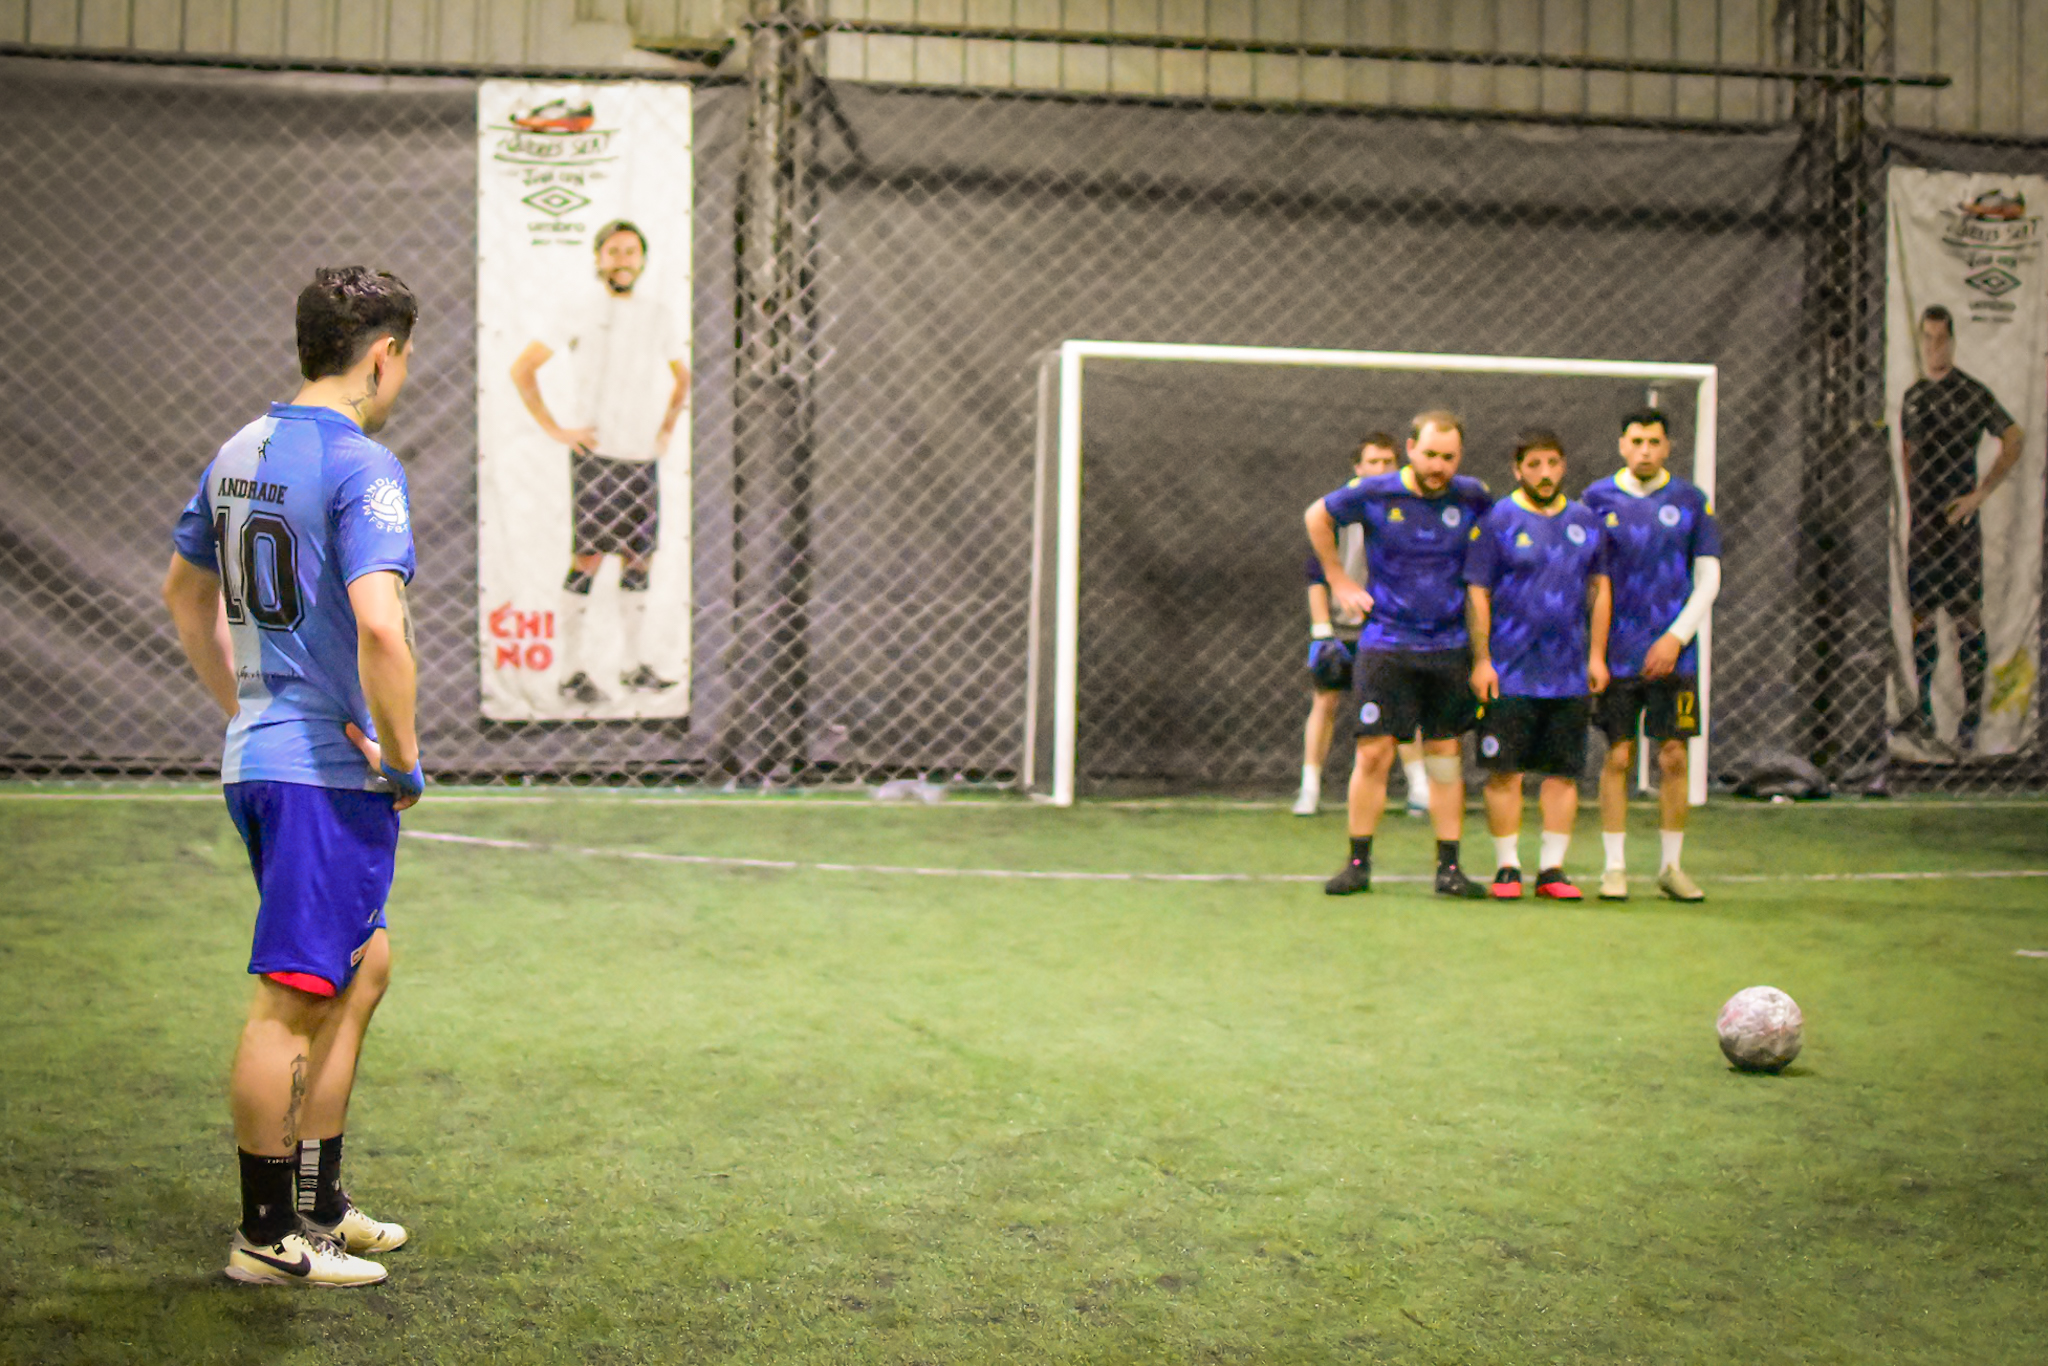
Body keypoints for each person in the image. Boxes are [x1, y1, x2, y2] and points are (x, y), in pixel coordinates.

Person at [163, 266, 424, 1287]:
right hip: (325, 772)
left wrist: (245, 711)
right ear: (383, 355)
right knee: (293, 997)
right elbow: (379, 628)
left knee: (363, 965)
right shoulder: (363, 463)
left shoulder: (239, 449)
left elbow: (184, 594)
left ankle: (316, 1202)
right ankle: (267, 1237)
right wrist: (402, 758)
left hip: (265, 760)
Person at [1305, 410, 1493, 898]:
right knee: (1374, 753)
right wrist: (1339, 580)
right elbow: (1316, 516)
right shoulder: (1375, 492)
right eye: (1430, 454)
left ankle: (1449, 869)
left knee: (1445, 757)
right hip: (1386, 645)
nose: (1438, 465)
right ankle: (1357, 864)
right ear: (1410, 449)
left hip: (1449, 647)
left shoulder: (1472, 496)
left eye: (1448, 457)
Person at [510, 219, 692, 708]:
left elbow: (683, 376)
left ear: (643, 259)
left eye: (631, 252)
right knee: (588, 559)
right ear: (598, 258)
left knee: (639, 558)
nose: (622, 260)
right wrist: (556, 429)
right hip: (598, 457)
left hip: (641, 459)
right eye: (613, 251)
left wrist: (665, 430)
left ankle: (633, 667)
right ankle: (571, 672)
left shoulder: (658, 315)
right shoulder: (579, 310)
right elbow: (523, 369)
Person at [1464, 431, 1611, 900]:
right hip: (1510, 672)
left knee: (1563, 773)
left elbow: (1599, 589)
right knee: (1504, 772)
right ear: (1517, 469)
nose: (1544, 474)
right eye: (1534, 465)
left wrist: (1596, 656)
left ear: (1563, 465)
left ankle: (1552, 870)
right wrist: (1483, 661)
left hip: (1567, 674)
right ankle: (1507, 867)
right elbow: (1478, 593)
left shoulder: (1586, 521)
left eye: (1552, 463)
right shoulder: (1497, 521)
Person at [1582, 409, 1720, 902]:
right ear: (1622, 445)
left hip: (1674, 657)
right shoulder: (1596, 499)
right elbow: (1590, 580)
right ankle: (1614, 868)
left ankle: (1671, 867)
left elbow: (1709, 578)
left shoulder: (1691, 501)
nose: (1645, 450)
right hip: (1618, 654)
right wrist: (1595, 652)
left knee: (1674, 756)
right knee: (1618, 755)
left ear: (1667, 447)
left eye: (1654, 442)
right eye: (1636, 441)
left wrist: (1675, 638)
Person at [1894, 304, 2023, 760]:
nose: (1935, 347)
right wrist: (1912, 504)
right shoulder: (1913, 397)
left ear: (1951, 341)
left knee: (1967, 619)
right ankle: (1924, 712)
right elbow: (1907, 451)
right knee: (1922, 616)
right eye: (1927, 339)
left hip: (1959, 526)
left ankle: (1969, 721)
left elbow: (2014, 437)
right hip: (1924, 528)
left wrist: (1979, 494)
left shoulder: (1970, 392)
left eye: (1941, 339)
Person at [1295, 433, 1430, 818]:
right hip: (1341, 629)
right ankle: (1310, 788)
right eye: (1374, 462)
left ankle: (1420, 788)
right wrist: (1322, 631)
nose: (1381, 469)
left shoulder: (1405, 510)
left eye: (1388, 462)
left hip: (1388, 629)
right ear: (1358, 467)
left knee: (1400, 707)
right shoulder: (1336, 510)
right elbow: (1316, 575)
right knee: (1325, 702)